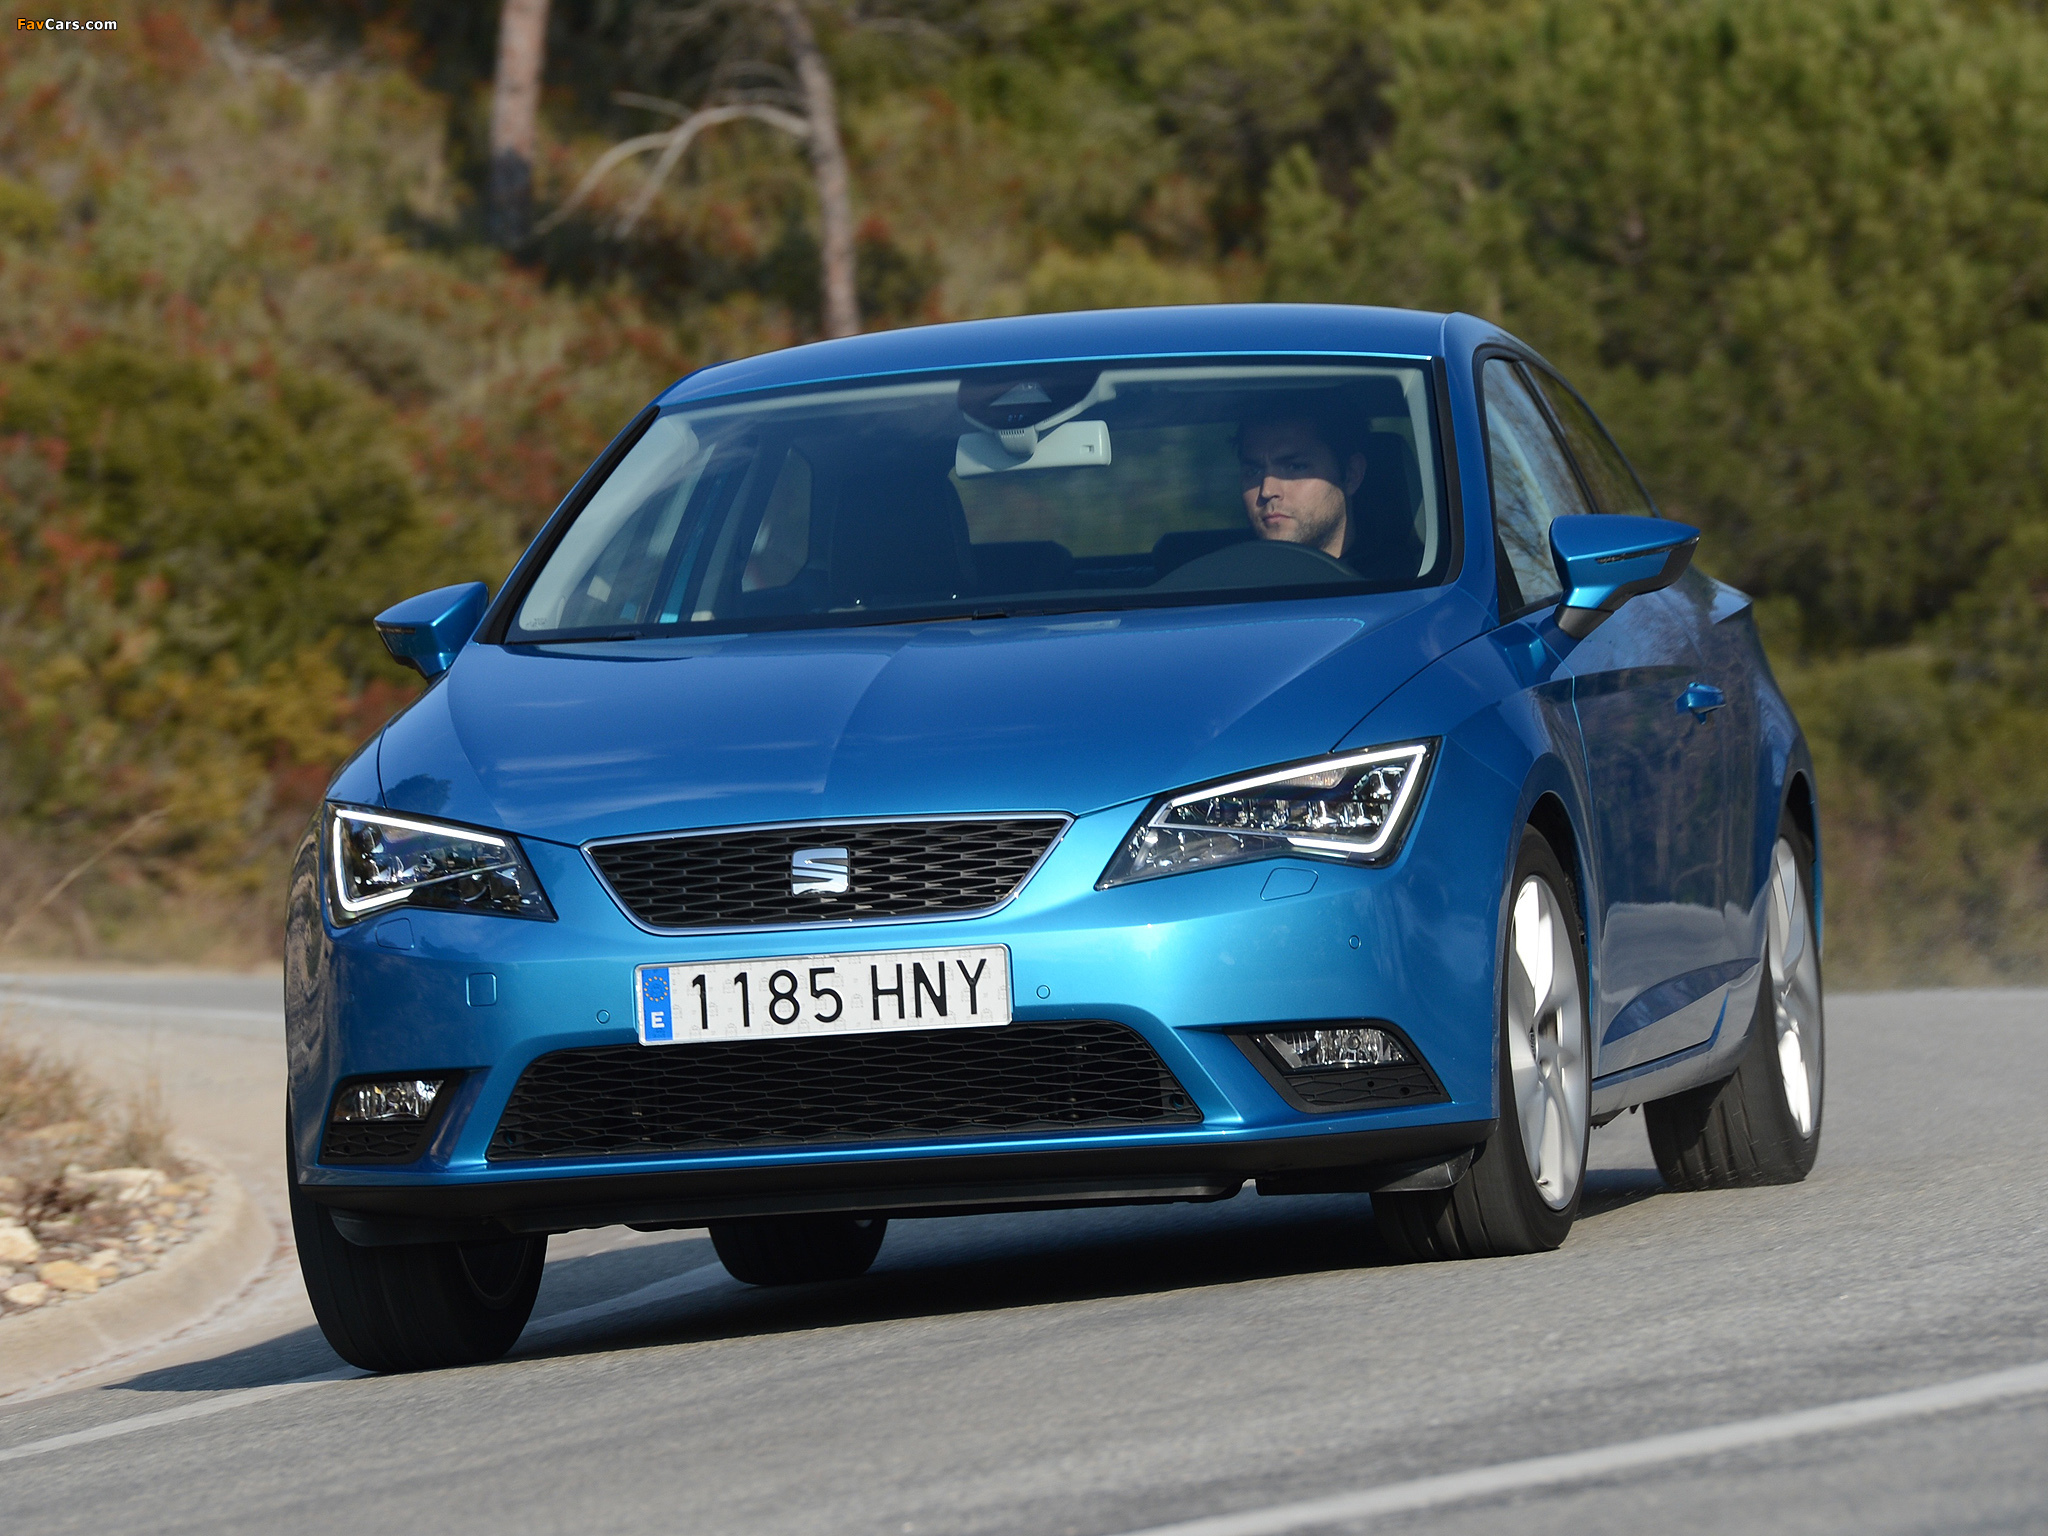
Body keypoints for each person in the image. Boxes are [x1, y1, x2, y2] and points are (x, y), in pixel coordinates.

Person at [1237, 414, 1368, 559]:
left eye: (1296, 467)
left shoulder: (1385, 571)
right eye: (1253, 472)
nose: (1267, 491)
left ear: (1351, 475)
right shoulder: (1228, 570)